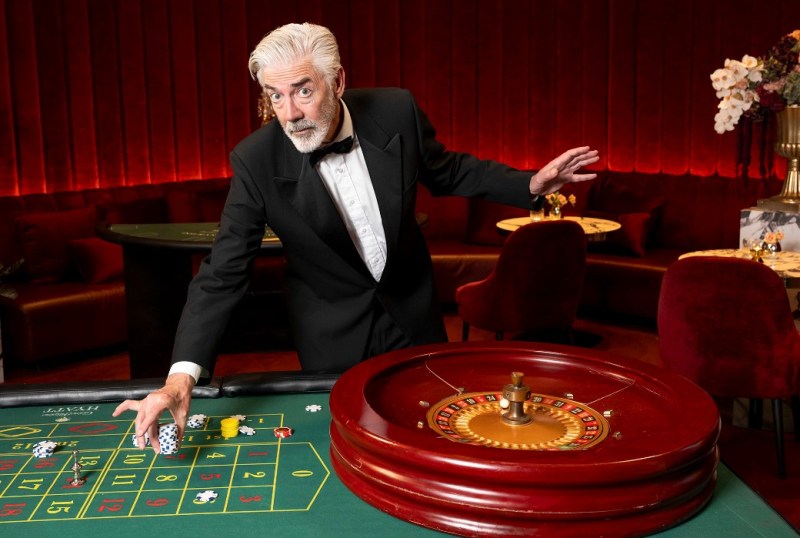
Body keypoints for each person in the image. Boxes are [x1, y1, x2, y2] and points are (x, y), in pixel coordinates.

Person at [113, 22, 599, 453]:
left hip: (412, 311)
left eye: (303, 91)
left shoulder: (395, 110)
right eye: (275, 96)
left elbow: (447, 171)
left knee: (433, 430)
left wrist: (529, 185)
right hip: (331, 331)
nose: (289, 113)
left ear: (339, 81)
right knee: (350, 449)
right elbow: (221, 275)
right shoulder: (256, 160)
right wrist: (181, 379)